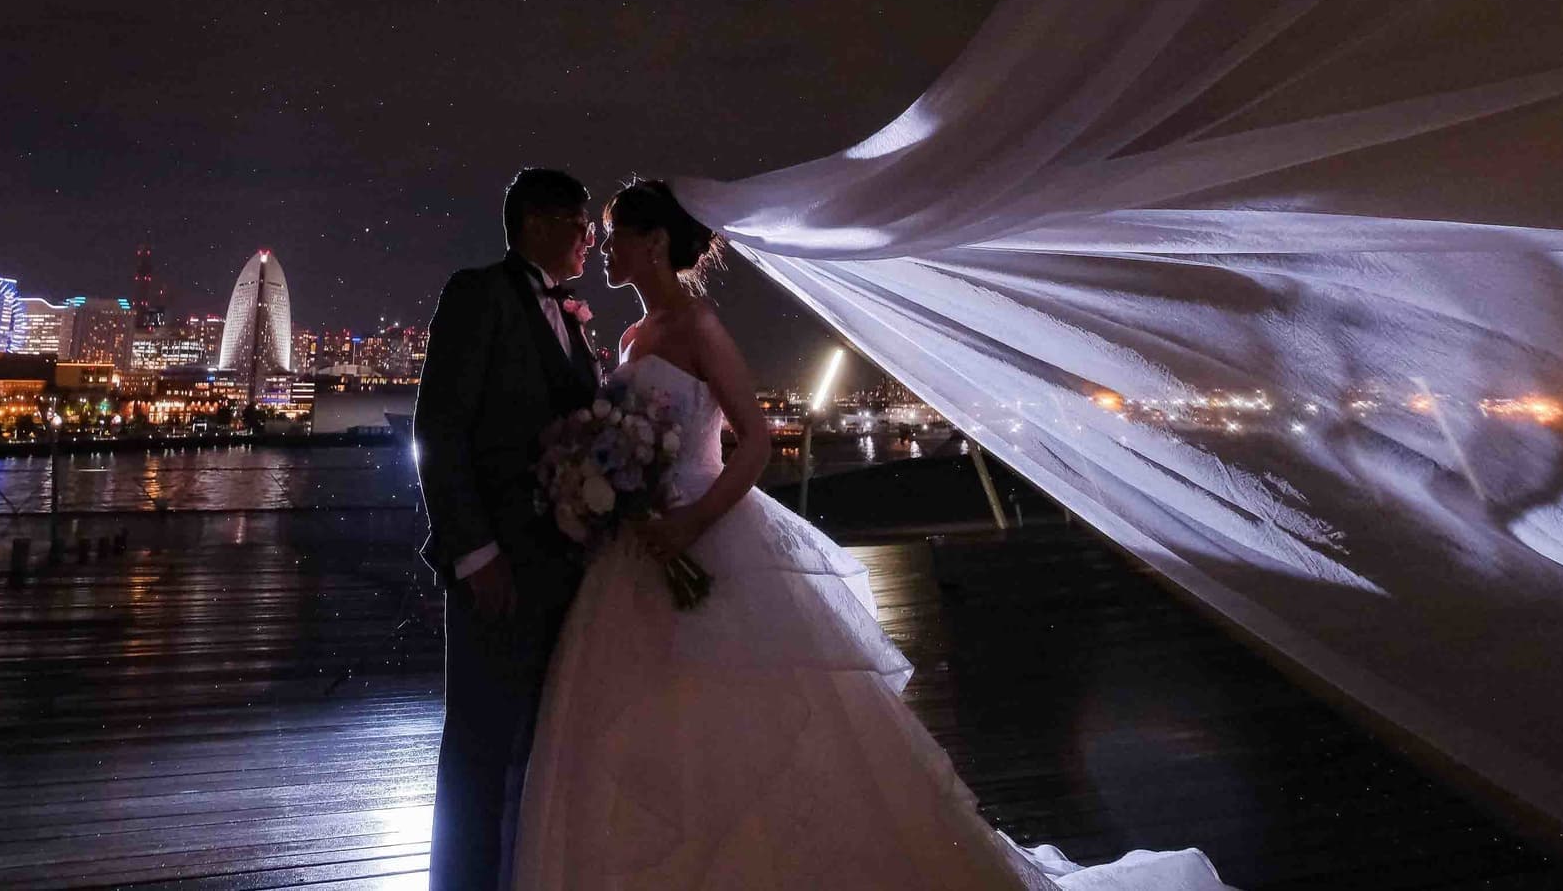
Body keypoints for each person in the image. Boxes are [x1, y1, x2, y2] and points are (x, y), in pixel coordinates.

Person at [512, 179, 1229, 891]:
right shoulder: (631, 337)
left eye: (615, 233)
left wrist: (693, 522)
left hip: (705, 533)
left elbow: (754, 440)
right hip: (642, 548)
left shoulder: (700, 327)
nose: (603, 246)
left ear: (655, 241)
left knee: (751, 732)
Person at [414, 167, 604, 891]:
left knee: (541, 747)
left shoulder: (574, 318)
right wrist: (476, 553)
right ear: (537, 222)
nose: (590, 240)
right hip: (495, 568)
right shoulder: (478, 294)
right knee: (479, 747)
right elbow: (440, 430)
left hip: (566, 569)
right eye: (581, 224)